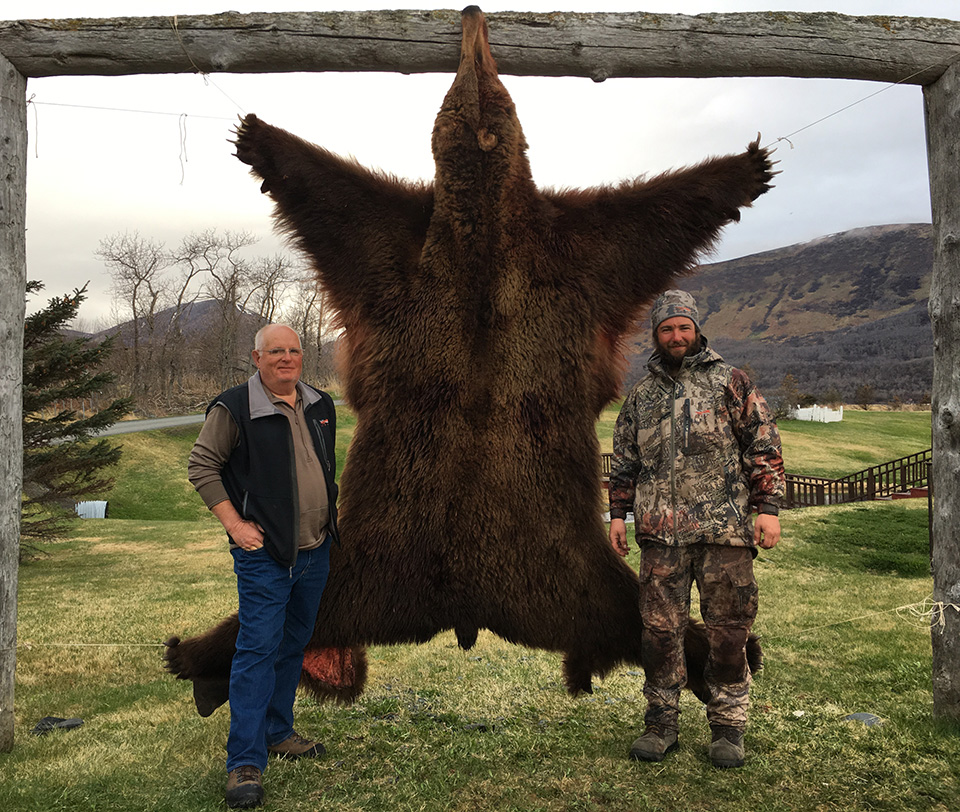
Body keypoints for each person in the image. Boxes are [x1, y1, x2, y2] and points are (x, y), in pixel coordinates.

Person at [608, 289, 784, 769]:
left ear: (696, 328)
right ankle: (660, 725)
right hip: (660, 538)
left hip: (723, 533)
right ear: (657, 335)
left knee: (729, 632)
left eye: (683, 326)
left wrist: (767, 507)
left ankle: (728, 730)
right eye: (667, 328)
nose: (676, 335)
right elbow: (624, 463)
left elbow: (763, 445)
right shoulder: (641, 396)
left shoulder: (731, 381)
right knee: (659, 633)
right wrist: (618, 517)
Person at [188, 323, 340, 809]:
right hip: (266, 557)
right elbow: (202, 466)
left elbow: (322, 469)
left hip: (315, 551)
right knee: (257, 651)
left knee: (292, 645)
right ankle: (245, 763)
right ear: (256, 358)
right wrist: (235, 525)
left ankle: (278, 731)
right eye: (276, 351)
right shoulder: (233, 408)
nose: (287, 359)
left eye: (294, 351)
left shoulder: (319, 404)